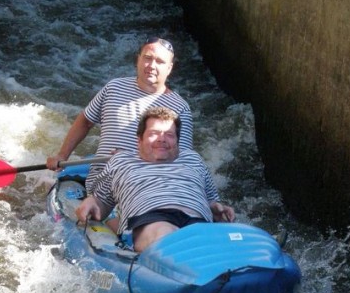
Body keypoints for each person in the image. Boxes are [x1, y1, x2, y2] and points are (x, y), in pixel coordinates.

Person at [76, 106, 235, 253]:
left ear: (177, 141)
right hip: (150, 217)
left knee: (205, 239)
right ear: (139, 140)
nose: (162, 139)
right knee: (165, 233)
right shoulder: (121, 161)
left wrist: (216, 208)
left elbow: (211, 201)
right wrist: (93, 201)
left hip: (196, 220)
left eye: (169, 135)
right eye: (154, 133)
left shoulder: (193, 159)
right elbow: (101, 202)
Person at [46, 36, 193, 193]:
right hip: (101, 181)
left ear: (169, 68)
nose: (151, 65)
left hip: (145, 186)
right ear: (138, 60)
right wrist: (62, 155)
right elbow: (85, 121)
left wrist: (131, 161)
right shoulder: (114, 87)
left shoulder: (180, 108)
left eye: (160, 61)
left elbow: (180, 163)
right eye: (147, 58)